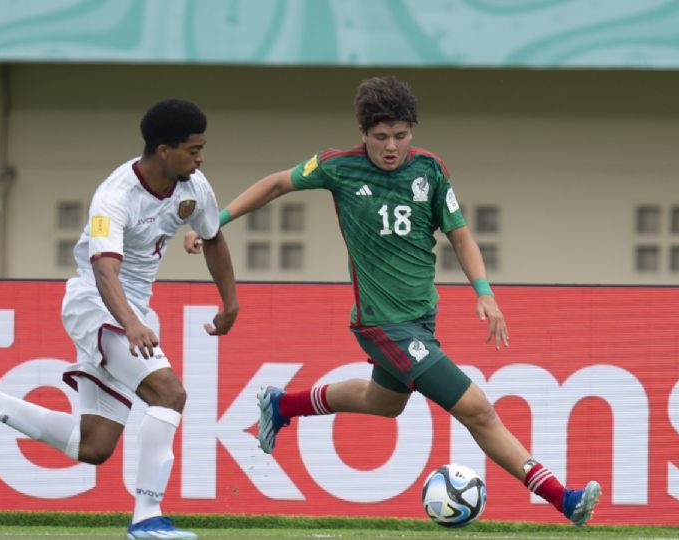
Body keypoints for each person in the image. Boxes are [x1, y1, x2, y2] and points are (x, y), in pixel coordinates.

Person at [184, 76, 601, 526]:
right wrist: (214, 222)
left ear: (412, 132)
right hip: (382, 324)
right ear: (362, 133)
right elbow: (275, 185)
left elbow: (460, 236)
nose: (391, 147)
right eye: (381, 137)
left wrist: (485, 293)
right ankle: (564, 500)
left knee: (384, 402)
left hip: (421, 321)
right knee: (477, 409)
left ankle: (282, 406)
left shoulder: (431, 170)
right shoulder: (337, 166)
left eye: (401, 136)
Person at [0, 98, 238, 539]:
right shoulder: (115, 196)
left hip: (133, 310)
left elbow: (213, 238)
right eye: (194, 149)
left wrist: (231, 303)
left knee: (92, 447)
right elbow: (103, 270)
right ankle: (148, 518)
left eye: (203, 148)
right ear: (164, 150)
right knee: (169, 393)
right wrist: (130, 323)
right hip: (96, 304)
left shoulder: (194, 186)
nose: (201, 157)